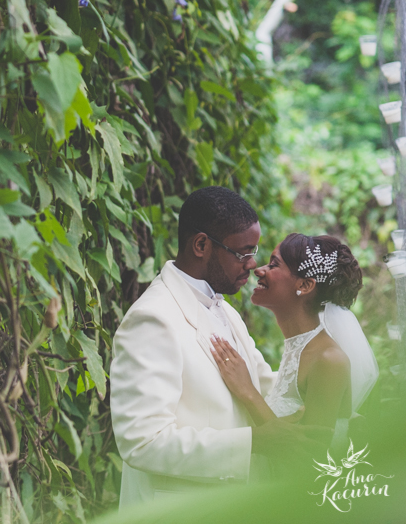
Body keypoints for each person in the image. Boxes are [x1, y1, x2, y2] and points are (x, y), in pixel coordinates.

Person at [110, 187, 329, 507]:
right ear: (201, 245)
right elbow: (142, 442)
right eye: (243, 253)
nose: (253, 264)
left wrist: (328, 397)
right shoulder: (152, 319)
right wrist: (255, 441)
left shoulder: (224, 309)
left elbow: (266, 385)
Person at [210, 233, 378, 453]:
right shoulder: (298, 349)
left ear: (305, 285)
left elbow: (308, 461)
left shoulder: (329, 359)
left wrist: (248, 393)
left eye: (273, 265)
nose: (259, 270)